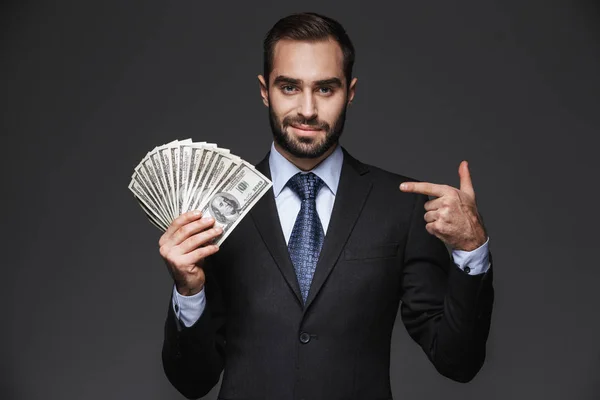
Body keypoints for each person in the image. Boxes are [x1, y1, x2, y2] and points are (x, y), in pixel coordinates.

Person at [158, 12, 494, 400]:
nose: (307, 110)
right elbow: (192, 381)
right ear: (265, 90)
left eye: (325, 89)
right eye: (289, 87)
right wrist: (188, 291)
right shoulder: (212, 208)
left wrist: (472, 250)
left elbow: (458, 361)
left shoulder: (400, 208)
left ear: (350, 91)